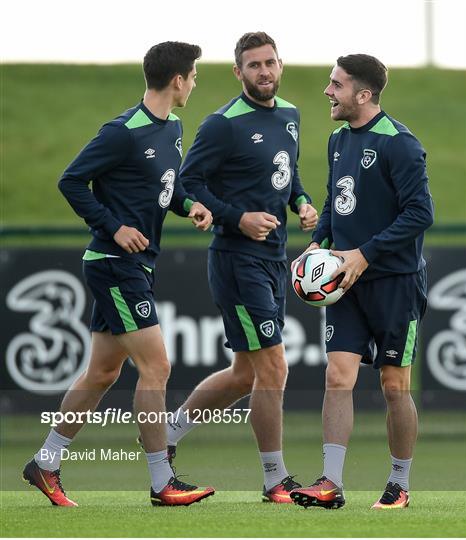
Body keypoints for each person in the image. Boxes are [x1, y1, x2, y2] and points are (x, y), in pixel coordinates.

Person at [22, 41, 215, 507]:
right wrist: (113, 226)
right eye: (193, 75)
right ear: (177, 79)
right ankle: (161, 481)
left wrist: (190, 205)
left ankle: (45, 464)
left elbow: (167, 187)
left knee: (103, 372)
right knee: (157, 366)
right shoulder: (122, 131)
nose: (194, 82)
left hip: (134, 266)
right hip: (114, 264)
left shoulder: (172, 128)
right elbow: (71, 180)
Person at [161, 31, 318, 503]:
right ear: (238, 72)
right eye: (253, 65)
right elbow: (184, 185)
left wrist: (304, 203)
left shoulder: (290, 115)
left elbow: (286, 175)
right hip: (236, 260)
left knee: (245, 375)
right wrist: (237, 217)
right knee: (274, 368)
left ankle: (166, 435)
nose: (264, 71)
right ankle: (275, 479)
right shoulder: (222, 124)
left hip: (275, 260)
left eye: (270, 62)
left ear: (280, 65)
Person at [289, 54, 434, 509]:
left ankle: (399, 484)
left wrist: (363, 253)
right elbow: (335, 202)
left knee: (394, 385)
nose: (328, 92)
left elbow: (420, 213)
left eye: (336, 84)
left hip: (394, 281)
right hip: (344, 283)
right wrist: (320, 242)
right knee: (338, 376)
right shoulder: (336, 141)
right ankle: (330, 483)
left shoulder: (400, 143)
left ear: (364, 94)